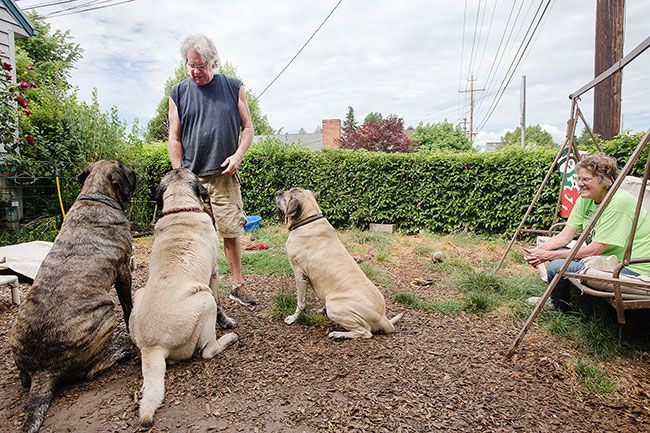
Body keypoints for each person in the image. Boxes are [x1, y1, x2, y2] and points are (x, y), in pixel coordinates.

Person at [168, 34, 257, 306]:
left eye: (202, 65)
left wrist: (238, 155)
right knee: (193, 236)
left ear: (214, 62)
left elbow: (249, 128)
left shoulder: (233, 87)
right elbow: (174, 137)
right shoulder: (178, 92)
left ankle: (237, 285)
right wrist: (179, 175)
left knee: (230, 232)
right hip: (192, 179)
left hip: (223, 177)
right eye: (191, 65)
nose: (196, 71)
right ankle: (197, 287)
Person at [524, 154, 650, 312]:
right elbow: (565, 236)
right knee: (554, 251)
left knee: (556, 264)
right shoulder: (586, 198)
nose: (579, 184)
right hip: (604, 258)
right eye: (578, 178)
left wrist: (548, 256)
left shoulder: (618, 202)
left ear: (604, 180)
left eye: (586, 179)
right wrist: (538, 251)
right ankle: (557, 298)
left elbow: (596, 249)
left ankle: (559, 307)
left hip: (631, 267)